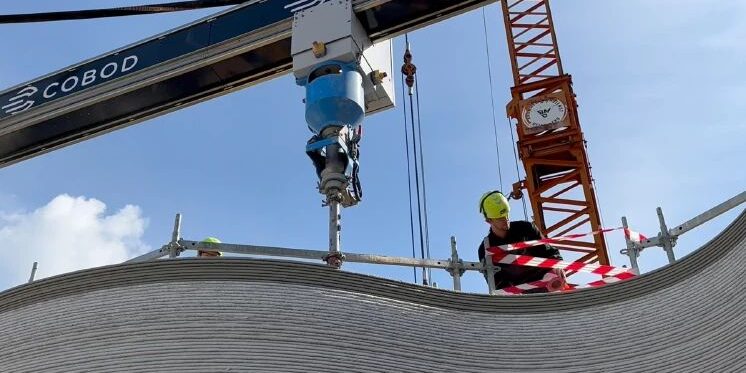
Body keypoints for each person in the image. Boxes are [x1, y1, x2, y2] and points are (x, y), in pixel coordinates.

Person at [477, 191, 566, 293]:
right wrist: (510, 295)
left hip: (547, 283)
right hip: (520, 295)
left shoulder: (526, 228)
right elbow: (496, 282)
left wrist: (557, 265)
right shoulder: (485, 249)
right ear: (489, 221)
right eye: (500, 218)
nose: (506, 219)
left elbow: (548, 252)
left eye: (507, 214)